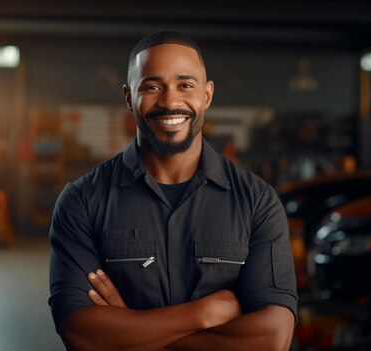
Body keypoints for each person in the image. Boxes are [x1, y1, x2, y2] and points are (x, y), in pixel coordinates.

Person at [48, 30, 298, 351]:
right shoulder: (82, 200)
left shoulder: (257, 201)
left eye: (185, 85)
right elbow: (81, 334)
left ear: (206, 95)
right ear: (128, 97)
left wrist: (132, 334)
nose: (169, 101)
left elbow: (272, 337)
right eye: (152, 86)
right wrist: (203, 313)